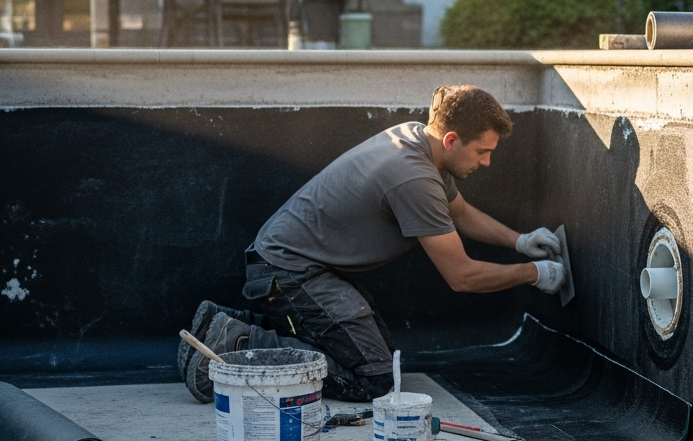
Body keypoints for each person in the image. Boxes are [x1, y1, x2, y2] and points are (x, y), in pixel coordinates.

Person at [178, 85, 566, 404]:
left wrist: (521, 241)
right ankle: (240, 343)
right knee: (374, 379)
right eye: (483, 151)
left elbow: (460, 214)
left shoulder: (422, 142)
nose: (486, 163)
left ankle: (226, 325)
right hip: (287, 273)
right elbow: (462, 276)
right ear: (451, 139)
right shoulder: (412, 177)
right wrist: (536, 274)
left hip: (298, 267)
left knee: (379, 359)